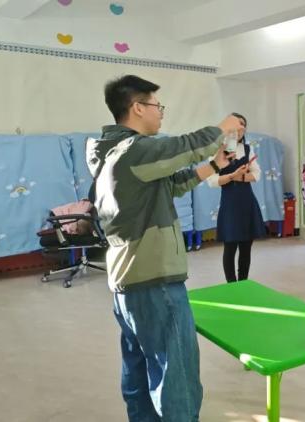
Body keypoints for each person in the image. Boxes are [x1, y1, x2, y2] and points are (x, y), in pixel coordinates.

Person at [88, 74, 243, 421]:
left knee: (140, 375)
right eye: (158, 106)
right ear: (137, 107)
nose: (161, 113)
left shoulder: (113, 154)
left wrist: (214, 165)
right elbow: (184, 146)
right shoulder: (134, 150)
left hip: (129, 283)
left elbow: (172, 184)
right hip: (155, 281)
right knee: (177, 379)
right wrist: (223, 127)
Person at [214, 113, 265, 282]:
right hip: (229, 205)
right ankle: (231, 285)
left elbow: (257, 175)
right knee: (230, 247)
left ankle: (243, 283)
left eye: (243, 124)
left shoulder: (248, 149)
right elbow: (213, 180)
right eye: (237, 123)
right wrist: (232, 176)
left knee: (246, 248)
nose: (240, 127)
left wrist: (239, 177)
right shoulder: (219, 150)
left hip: (247, 203)